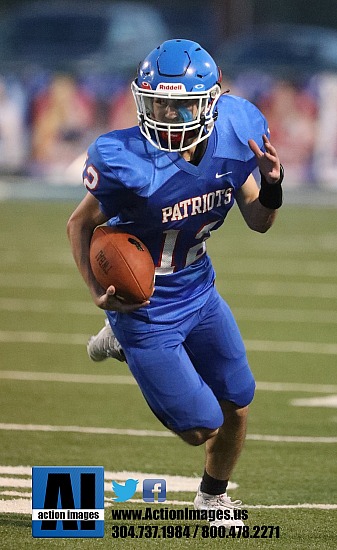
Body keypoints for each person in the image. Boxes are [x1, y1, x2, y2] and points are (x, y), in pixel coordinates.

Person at [67, 39, 283, 528]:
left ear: (209, 103)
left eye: (179, 103)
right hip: (143, 308)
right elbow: (79, 225)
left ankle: (211, 498)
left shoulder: (236, 132)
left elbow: (259, 220)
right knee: (201, 427)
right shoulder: (124, 159)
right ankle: (120, 340)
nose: (167, 112)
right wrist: (100, 297)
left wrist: (271, 186)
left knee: (238, 405)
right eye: (158, 101)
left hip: (199, 288)